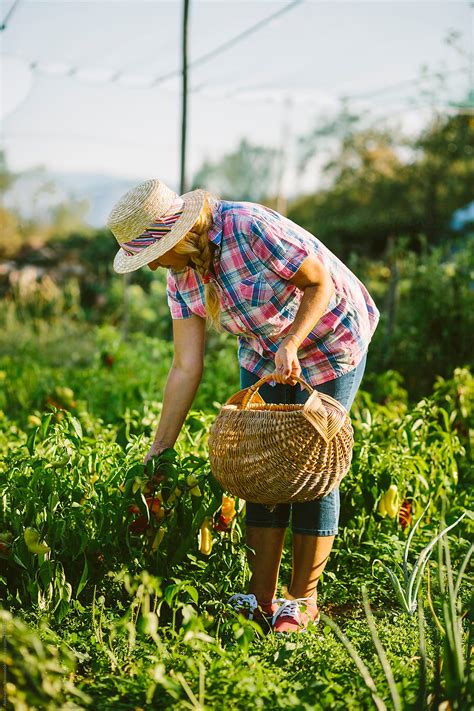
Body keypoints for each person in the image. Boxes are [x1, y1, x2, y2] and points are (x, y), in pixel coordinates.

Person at [107, 178, 380, 634]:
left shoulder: (248, 227)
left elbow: (320, 283)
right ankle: (260, 598)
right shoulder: (181, 279)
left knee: (312, 463)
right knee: (259, 461)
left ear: (175, 236)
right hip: (264, 352)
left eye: (149, 256)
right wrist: (160, 449)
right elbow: (184, 367)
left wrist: (292, 342)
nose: (152, 269)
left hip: (332, 340)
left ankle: (302, 601)